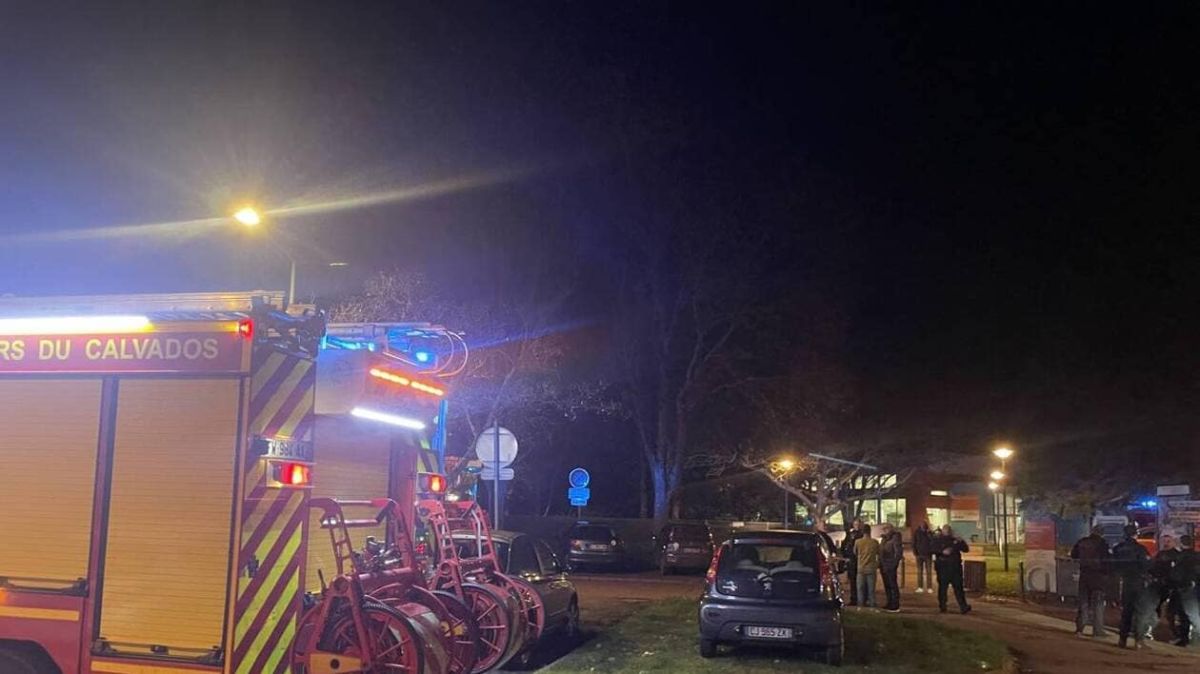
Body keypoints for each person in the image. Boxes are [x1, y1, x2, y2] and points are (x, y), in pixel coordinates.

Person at [1111, 523, 1152, 648]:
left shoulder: (1117, 548)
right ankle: (1138, 641)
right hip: (1138, 582)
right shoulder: (1140, 549)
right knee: (1140, 612)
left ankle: (1122, 640)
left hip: (1124, 582)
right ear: (1136, 534)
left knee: (1126, 612)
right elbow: (1147, 566)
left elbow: (1114, 565)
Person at [1070, 525, 1112, 638]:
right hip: (1098, 577)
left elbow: (1073, 555)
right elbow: (1107, 560)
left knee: (1083, 602)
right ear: (1102, 533)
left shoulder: (1082, 542)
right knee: (1098, 604)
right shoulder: (1102, 544)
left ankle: (1079, 629)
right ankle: (1097, 631)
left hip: (1084, 575)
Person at [931, 524, 971, 614]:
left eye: (949, 530)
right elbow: (932, 549)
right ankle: (942, 606)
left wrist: (961, 541)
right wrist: (942, 551)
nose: (948, 532)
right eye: (946, 530)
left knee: (958, 588)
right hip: (943, 567)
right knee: (943, 588)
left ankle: (963, 606)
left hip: (955, 567)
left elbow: (966, 549)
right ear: (943, 531)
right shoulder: (937, 540)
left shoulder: (955, 540)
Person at [1169, 534, 1199, 646]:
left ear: (1181, 543)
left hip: (1185, 588)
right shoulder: (1197, 555)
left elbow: (1176, 574)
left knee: (1187, 615)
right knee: (1191, 614)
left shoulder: (1181, 557)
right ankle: (1187, 638)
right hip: (1195, 587)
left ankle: (1186, 639)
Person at [840, 518, 866, 606]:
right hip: (851, 560)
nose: (856, 526)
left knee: (860, 581)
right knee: (853, 580)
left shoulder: (862, 535)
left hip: (858, 560)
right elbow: (845, 544)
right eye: (855, 524)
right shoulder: (850, 534)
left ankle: (861, 599)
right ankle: (854, 599)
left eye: (858, 524)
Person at [854, 526, 881, 608]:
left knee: (860, 589)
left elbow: (855, 552)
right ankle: (872, 605)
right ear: (870, 531)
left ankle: (860, 605)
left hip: (861, 568)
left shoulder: (858, 542)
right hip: (871, 568)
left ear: (862, 532)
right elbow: (878, 553)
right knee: (871, 590)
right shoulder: (875, 542)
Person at [879, 523, 903, 612]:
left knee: (893, 585)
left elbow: (898, 553)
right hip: (883, 565)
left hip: (890, 565)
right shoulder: (884, 539)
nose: (884, 531)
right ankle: (889, 602)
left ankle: (895, 604)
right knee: (887, 585)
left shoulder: (895, 538)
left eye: (886, 529)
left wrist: (894, 564)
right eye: (884, 529)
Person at [913, 520, 934, 594]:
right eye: (922, 525)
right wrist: (915, 553)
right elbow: (914, 542)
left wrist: (929, 534)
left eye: (924, 525)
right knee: (919, 572)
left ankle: (929, 587)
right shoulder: (917, 532)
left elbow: (932, 542)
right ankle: (920, 587)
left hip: (928, 555)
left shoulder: (929, 533)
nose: (923, 526)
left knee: (929, 572)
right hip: (919, 555)